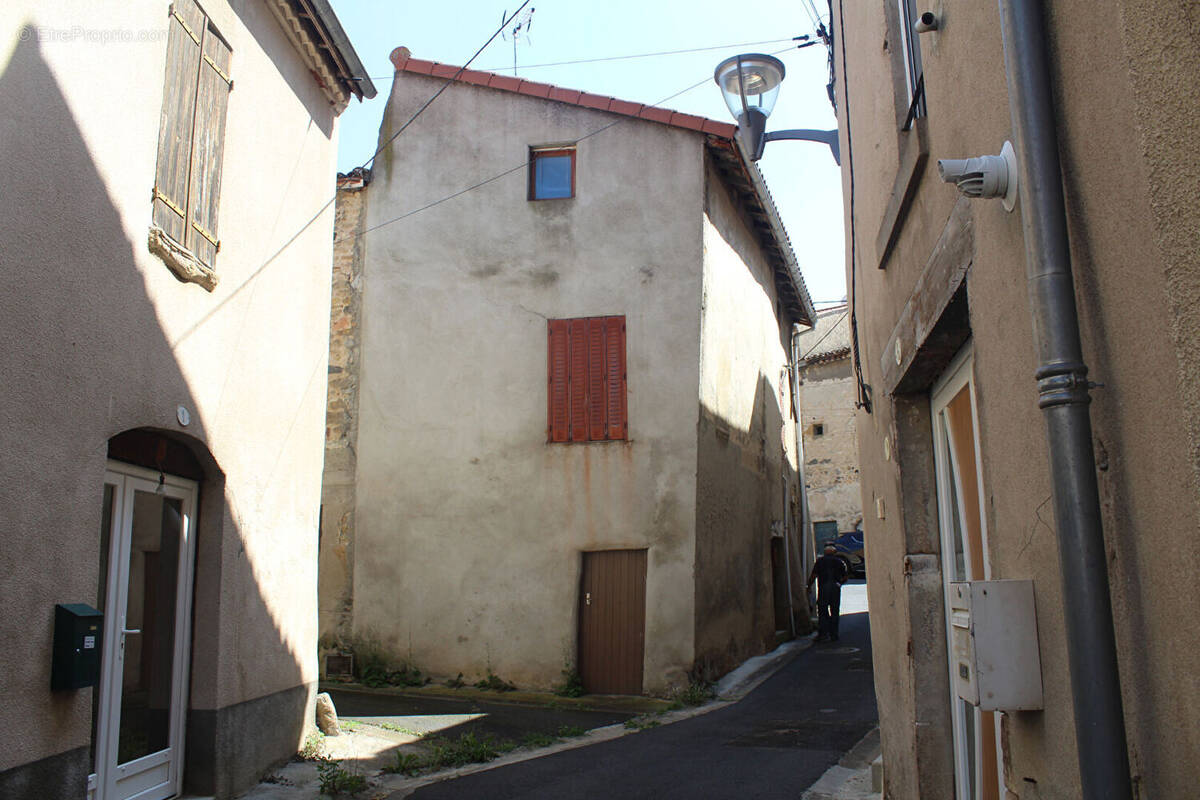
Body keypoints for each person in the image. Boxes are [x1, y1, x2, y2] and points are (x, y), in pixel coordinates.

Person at [808, 542, 849, 642]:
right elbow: (846, 576)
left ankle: (823, 634)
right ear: (834, 551)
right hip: (835, 588)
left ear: (825, 551)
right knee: (835, 611)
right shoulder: (839, 562)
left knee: (822, 611)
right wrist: (840, 583)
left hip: (823, 588)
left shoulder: (820, 561)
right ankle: (834, 635)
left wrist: (808, 586)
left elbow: (814, 575)